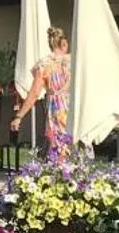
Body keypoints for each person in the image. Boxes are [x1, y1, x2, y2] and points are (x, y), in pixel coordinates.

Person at [10, 26, 73, 164]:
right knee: (75, 148)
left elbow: (34, 93)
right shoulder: (74, 62)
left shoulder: (44, 65)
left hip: (57, 110)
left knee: (58, 147)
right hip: (74, 107)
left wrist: (19, 116)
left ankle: (60, 177)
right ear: (64, 43)